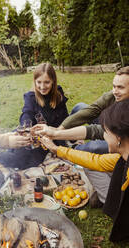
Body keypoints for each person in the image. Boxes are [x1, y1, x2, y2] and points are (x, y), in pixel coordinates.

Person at [38, 98, 129, 242]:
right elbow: (96, 161)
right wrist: (57, 149)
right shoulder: (122, 158)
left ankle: (118, 209)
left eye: (105, 132)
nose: (102, 136)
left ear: (118, 138)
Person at [57, 66, 129, 207]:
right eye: (114, 86)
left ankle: (77, 150)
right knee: (80, 107)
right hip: (111, 130)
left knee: (91, 147)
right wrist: (60, 129)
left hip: (121, 141)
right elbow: (92, 110)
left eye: (120, 87)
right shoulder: (113, 96)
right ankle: (71, 144)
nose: (115, 91)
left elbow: (97, 130)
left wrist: (60, 139)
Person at [0, 63, 68, 169]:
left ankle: (7, 154)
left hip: (50, 137)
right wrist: (27, 128)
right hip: (32, 135)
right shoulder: (31, 97)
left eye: (47, 82)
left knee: (29, 162)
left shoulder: (58, 95)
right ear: (34, 81)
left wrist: (59, 141)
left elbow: (65, 119)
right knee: (18, 155)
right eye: (39, 82)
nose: (42, 87)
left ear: (53, 81)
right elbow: (26, 114)